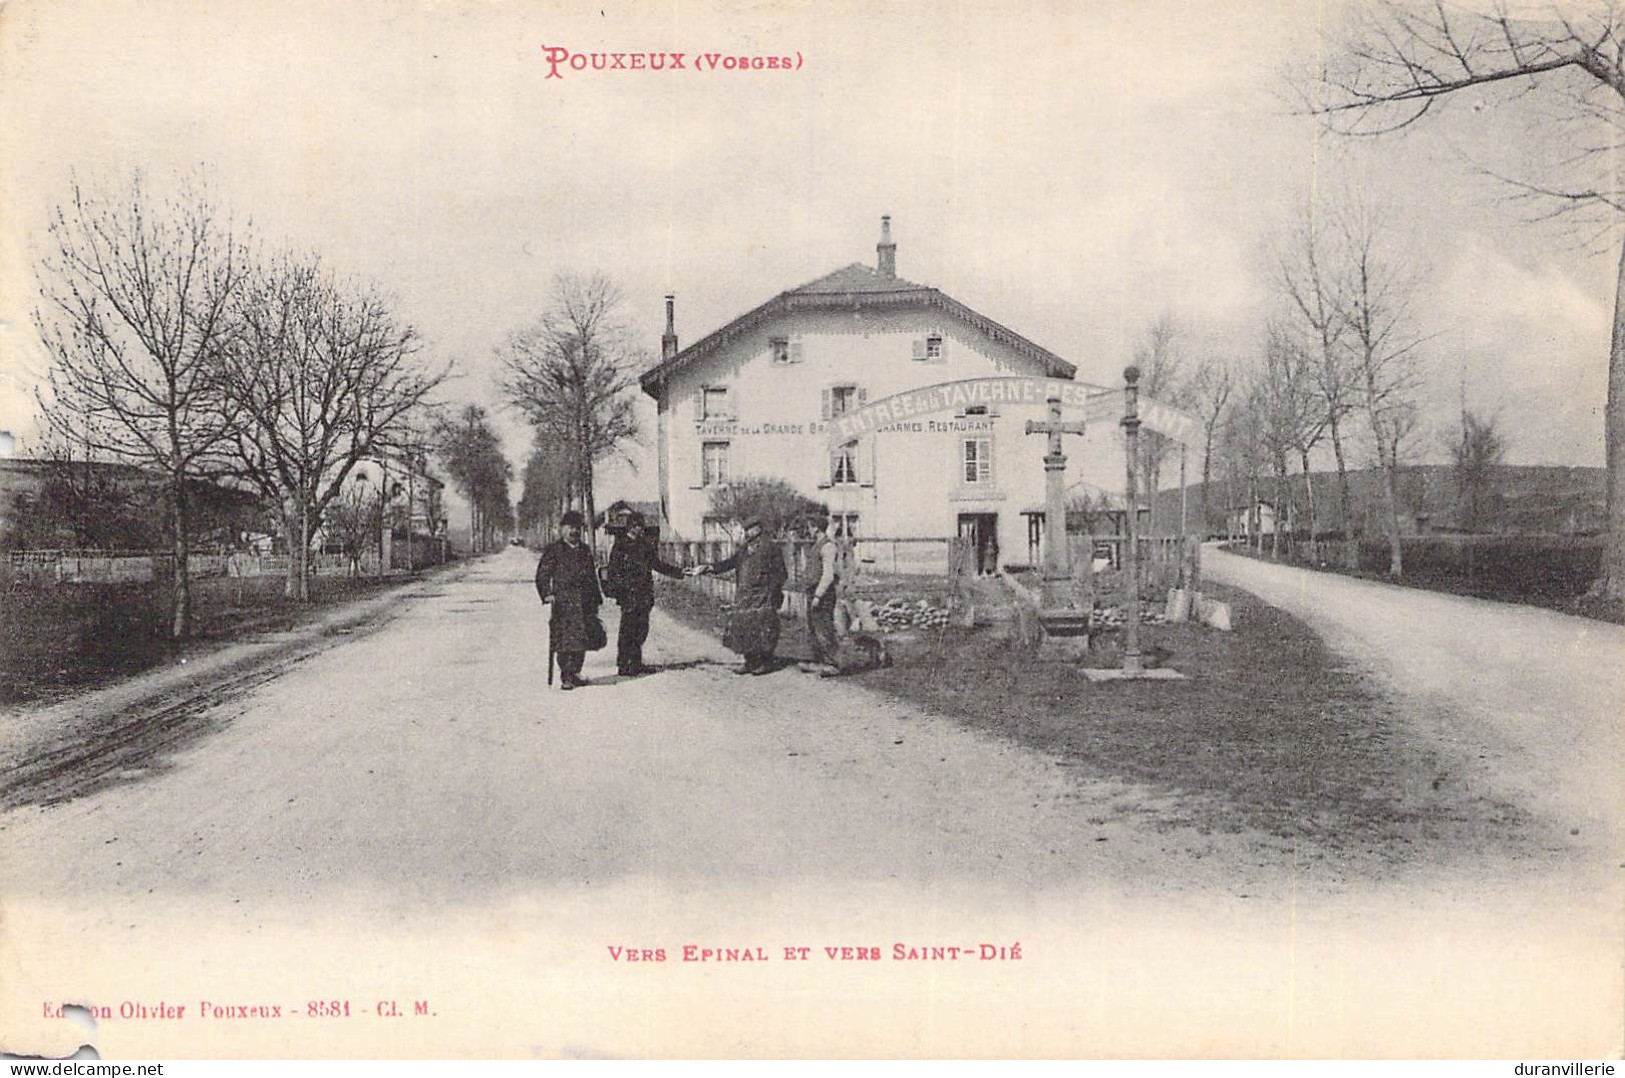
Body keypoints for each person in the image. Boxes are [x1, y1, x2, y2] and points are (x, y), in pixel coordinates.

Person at [692, 515, 787, 675]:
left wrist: (772, 591)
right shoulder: (744, 551)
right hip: (744, 595)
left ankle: (765, 662)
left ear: (758, 530)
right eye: (746, 530)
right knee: (744, 627)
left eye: (751, 529)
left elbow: (781, 573)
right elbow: (728, 564)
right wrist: (707, 568)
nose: (748, 533)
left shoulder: (771, 548)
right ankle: (750, 661)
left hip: (763, 596)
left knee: (764, 628)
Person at [604, 512, 684, 676]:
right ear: (631, 527)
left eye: (640, 526)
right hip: (628, 595)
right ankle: (623, 664)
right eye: (636, 526)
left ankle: (636, 662)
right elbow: (613, 571)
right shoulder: (620, 546)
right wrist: (619, 591)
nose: (639, 529)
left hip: (644, 593)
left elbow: (657, 565)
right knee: (627, 630)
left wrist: (680, 573)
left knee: (641, 629)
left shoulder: (645, 545)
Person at [534, 510, 605, 690]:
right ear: (562, 529)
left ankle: (575, 672)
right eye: (570, 528)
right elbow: (542, 574)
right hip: (563, 602)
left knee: (583, 638)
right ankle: (566, 675)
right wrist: (547, 593)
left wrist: (597, 598)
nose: (574, 532)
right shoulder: (554, 550)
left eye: (577, 528)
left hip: (585, 601)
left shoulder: (585, 550)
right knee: (565, 639)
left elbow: (591, 576)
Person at [801, 512, 848, 676]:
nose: (808, 530)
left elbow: (828, 575)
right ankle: (818, 661)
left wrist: (818, 595)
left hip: (823, 594)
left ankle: (833, 664)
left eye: (810, 527)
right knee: (813, 627)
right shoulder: (816, 544)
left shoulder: (828, 546)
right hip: (812, 592)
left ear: (815, 528)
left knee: (824, 628)